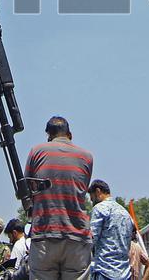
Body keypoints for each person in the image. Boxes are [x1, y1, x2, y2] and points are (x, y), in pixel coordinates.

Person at [24, 116, 94, 279]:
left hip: (44, 233)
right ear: (70, 135)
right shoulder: (87, 157)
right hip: (77, 235)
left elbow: (27, 188)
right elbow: (81, 189)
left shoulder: (37, 151)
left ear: (49, 135)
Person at [87, 179, 134, 279]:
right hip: (125, 272)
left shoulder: (100, 208)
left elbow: (91, 239)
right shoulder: (125, 213)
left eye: (92, 198)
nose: (92, 201)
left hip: (105, 270)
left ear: (98, 191)